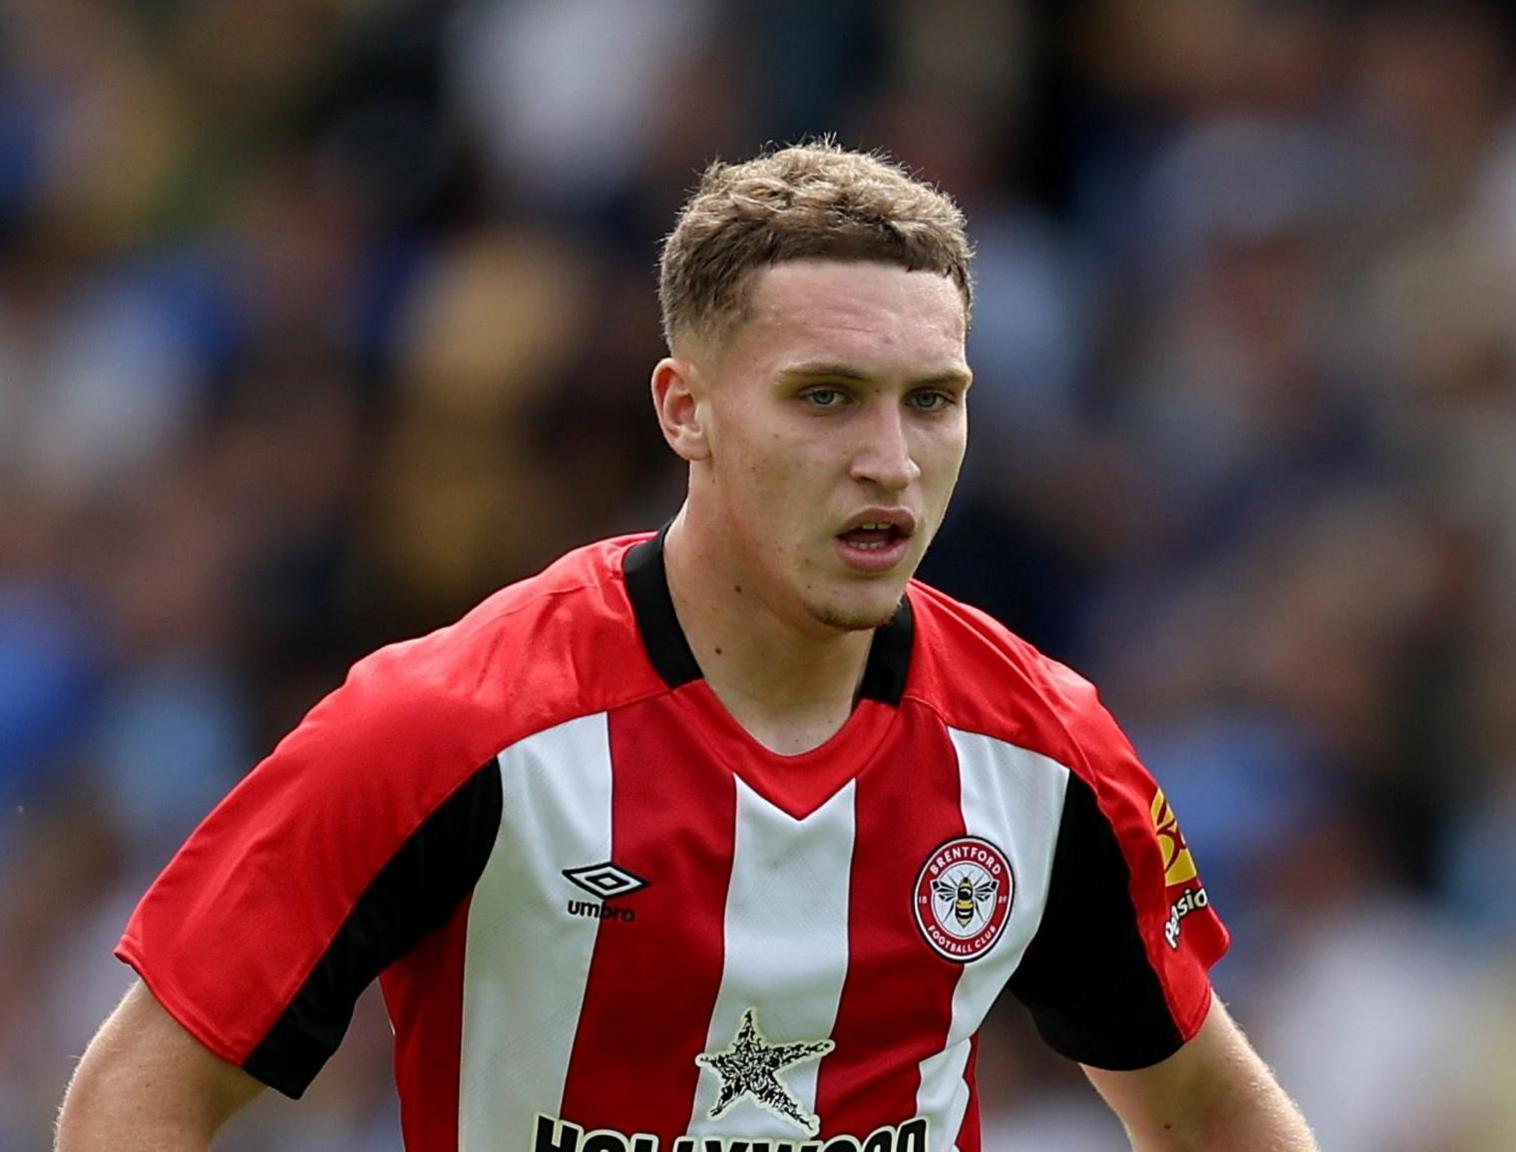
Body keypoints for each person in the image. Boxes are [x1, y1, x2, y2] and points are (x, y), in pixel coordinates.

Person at [56, 142, 1318, 1152]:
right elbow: (136, 1097)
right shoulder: (447, 727)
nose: (890, 458)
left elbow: (1208, 1111)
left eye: (932, 400)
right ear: (685, 412)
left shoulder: (1042, 749)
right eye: (824, 396)